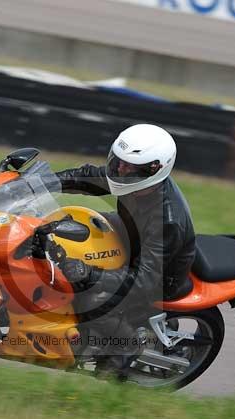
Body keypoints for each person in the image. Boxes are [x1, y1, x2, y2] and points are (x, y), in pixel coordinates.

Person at [54, 123, 196, 376]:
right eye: (118, 162)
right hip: (133, 237)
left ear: (153, 170)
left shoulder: (167, 220)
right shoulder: (132, 180)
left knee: (92, 299)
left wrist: (91, 274)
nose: (120, 169)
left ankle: (127, 346)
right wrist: (44, 182)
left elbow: (145, 279)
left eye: (128, 166)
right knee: (72, 230)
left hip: (159, 277)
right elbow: (87, 177)